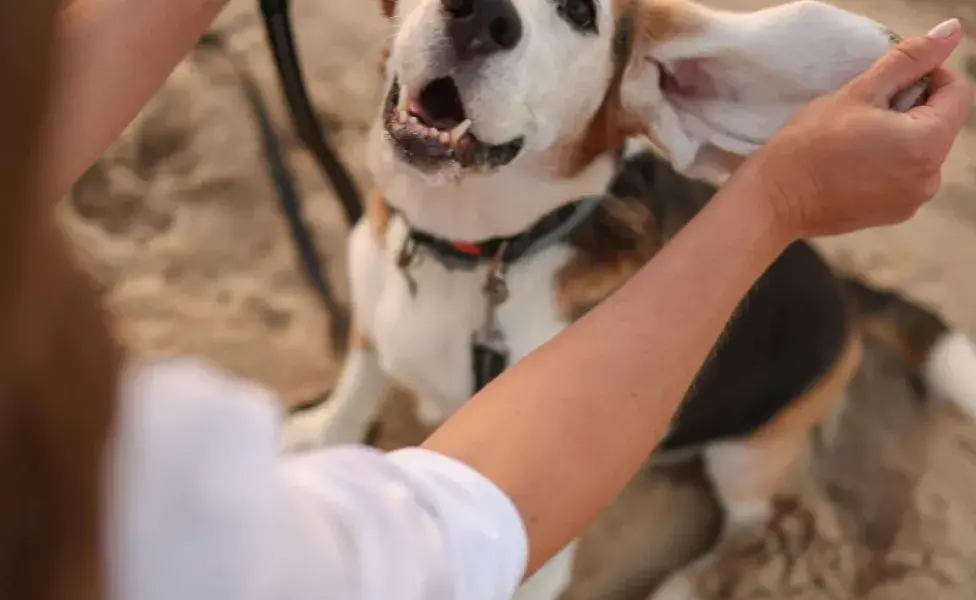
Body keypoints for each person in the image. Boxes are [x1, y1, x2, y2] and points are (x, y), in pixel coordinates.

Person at [0, 1, 972, 600]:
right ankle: (344, 410)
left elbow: (508, 536)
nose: (491, 10)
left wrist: (784, 201)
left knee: (739, 482)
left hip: (773, 372)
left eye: (577, 14)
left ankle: (730, 541)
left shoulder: (583, 321)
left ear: (642, 93)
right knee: (378, 323)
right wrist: (348, 412)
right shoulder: (381, 230)